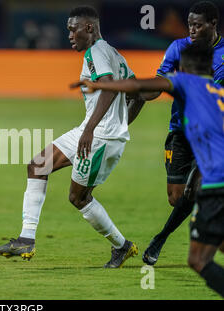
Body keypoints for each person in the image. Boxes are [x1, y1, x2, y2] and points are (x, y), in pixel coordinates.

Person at [0, 6, 144, 268]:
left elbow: (107, 88)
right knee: (38, 164)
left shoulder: (97, 53)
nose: (70, 35)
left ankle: (122, 246)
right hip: (94, 131)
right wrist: (121, 123)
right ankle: (26, 238)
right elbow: (138, 93)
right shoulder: (114, 54)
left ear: (89, 28)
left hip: (99, 138)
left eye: (73, 29)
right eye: (68, 30)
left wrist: (99, 130)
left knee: (78, 198)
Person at [71, 43, 224, 297]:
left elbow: (140, 86)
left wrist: (101, 85)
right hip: (215, 178)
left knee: (198, 259)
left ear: (183, 68)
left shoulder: (186, 82)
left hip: (215, 185)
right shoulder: (219, 92)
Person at [141, 1, 224, 265]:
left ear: (213, 24)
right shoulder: (178, 48)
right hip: (180, 130)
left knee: (197, 187)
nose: (192, 30)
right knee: (177, 197)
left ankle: (161, 238)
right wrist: (140, 92)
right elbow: (161, 81)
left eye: (198, 25)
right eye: (190, 24)